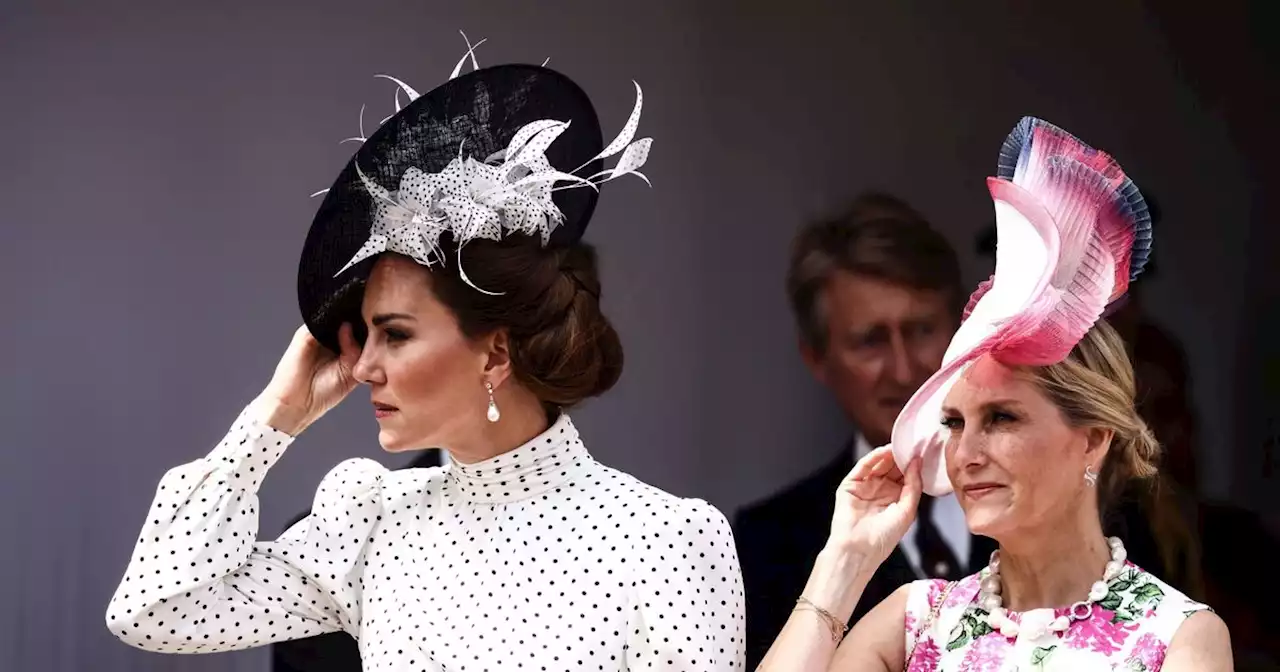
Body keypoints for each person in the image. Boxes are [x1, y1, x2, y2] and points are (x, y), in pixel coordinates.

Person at [104, 45, 745, 671]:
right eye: (366, 334)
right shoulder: (374, 518)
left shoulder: (664, 540)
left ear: (495, 354)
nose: (361, 367)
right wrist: (274, 417)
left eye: (397, 334)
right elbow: (156, 611)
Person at [756, 117, 1232, 671]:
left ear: (1094, 439)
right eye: (954, 423)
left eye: (1002, 418)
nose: (966, 453)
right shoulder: (915, 619)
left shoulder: (1180, 635)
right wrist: (846, 561)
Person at [734, 193, 996, 668]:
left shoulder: (1062, 498)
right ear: (816, 357)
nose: (903, 369)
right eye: (870, 341)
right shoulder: (766, 544)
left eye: (921, 330)